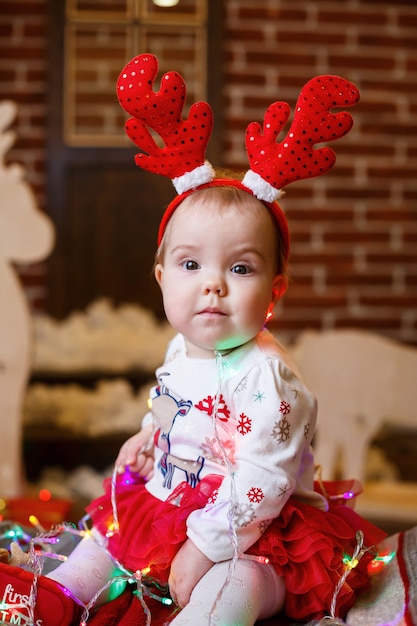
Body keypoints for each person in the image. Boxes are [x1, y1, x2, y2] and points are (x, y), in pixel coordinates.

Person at [0, 54, 392, 626]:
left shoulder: (268, 376)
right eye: (189, 264)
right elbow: (172, 398)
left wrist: (204, 549)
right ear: (161, 280)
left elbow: (264, 479)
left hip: (255, 527)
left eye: (239, 269)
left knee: (239, 583)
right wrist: (148, 432)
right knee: (100, 544)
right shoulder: (182, 348)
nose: (211, 283)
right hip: (172, 500)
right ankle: (54, 601)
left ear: (274, 290)